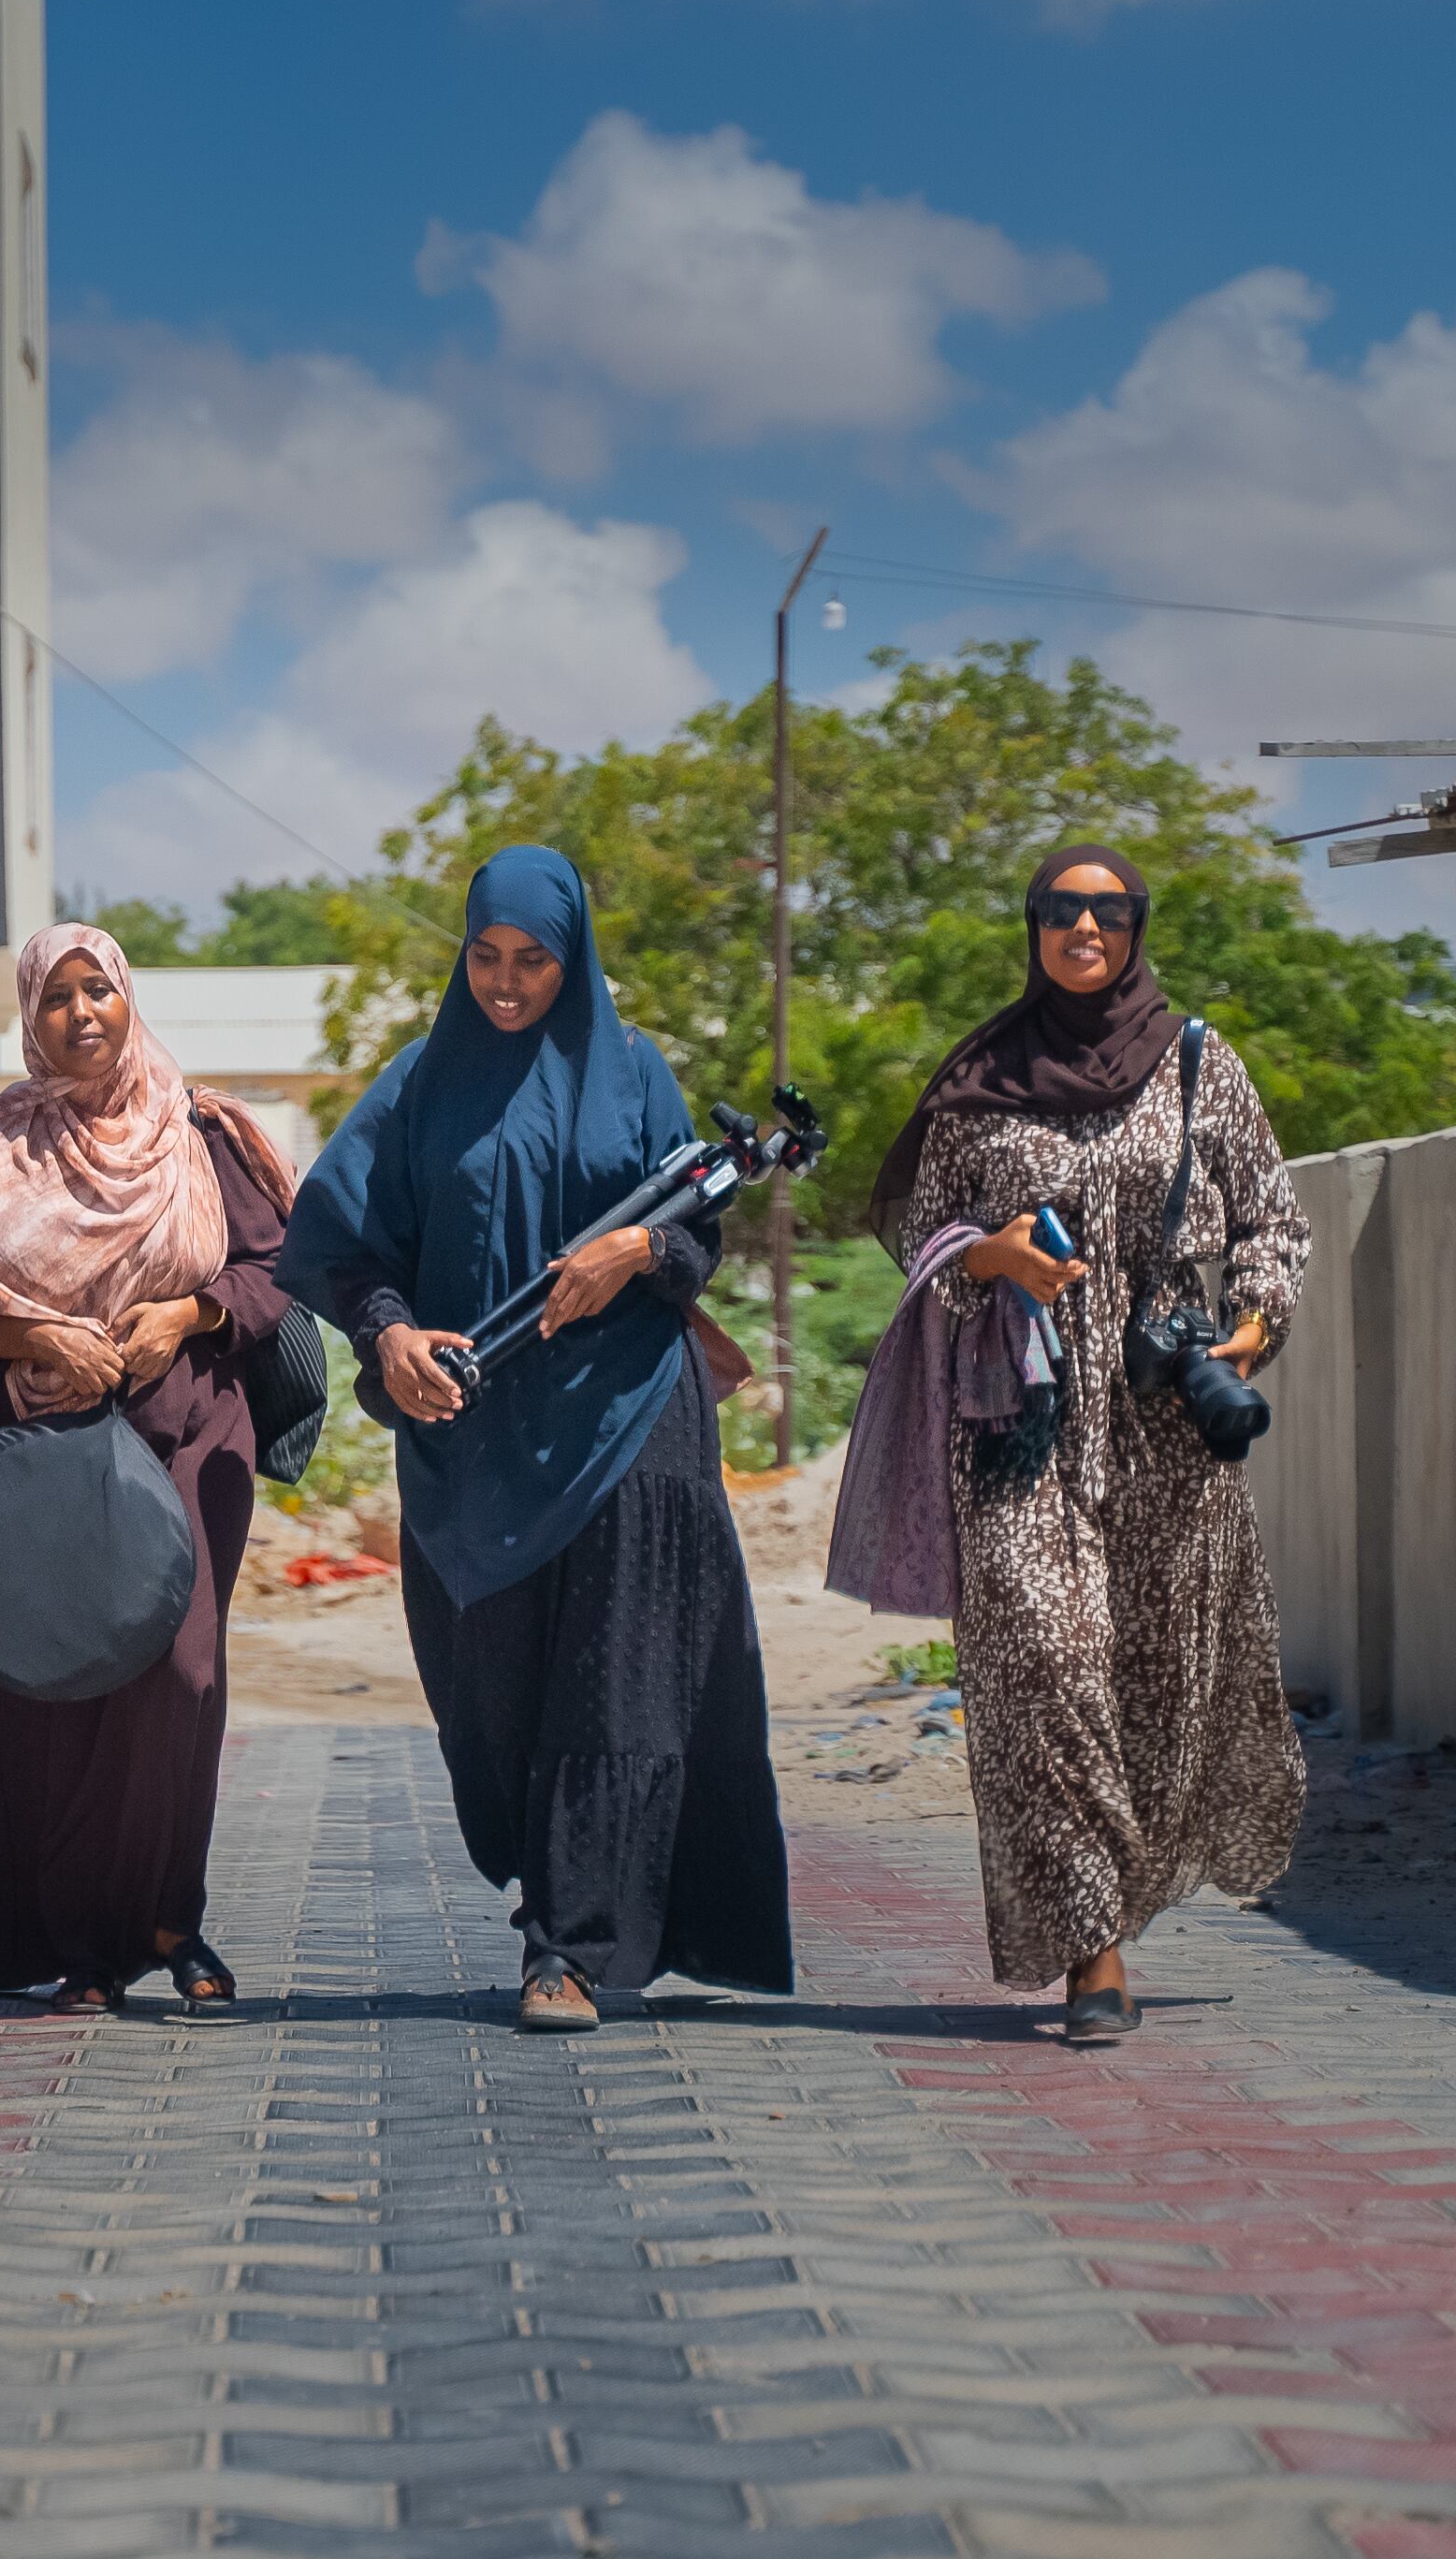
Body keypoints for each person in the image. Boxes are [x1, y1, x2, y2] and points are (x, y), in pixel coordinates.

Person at [279, 846, 793, 2032]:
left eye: (535, 961)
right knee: (491, 1690)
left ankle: (566, 1946)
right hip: (475, 1430)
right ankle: (557, 1902)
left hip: (629, 1419)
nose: (508, 984)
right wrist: (390, 1335)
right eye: (487, 957)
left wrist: (638, 1253)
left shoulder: (633, 1072)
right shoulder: (418, 1085)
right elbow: (339, 1245)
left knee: (613, 1688)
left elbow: (698, 1233)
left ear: (575, 958)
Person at [869, 841, 1310, 2042]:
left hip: (1164, 1423)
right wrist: (988, 1258)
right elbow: (921, 1228)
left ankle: (1119, 1889)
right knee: (1044, 1664)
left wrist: (1252, 1332)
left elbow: (1274, 1219)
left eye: (1107, 914)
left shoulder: (1198, 1069)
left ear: (1135, 929)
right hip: (1022, 1425)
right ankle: (1090, 1950)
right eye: (1061, 912)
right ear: (1033, 927)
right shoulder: (984, 1073)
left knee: (1154, 1683)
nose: (1084, 931)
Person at [0, 922, 300, 2017]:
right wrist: (27, 1338)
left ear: (127, 997)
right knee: (51, 1682)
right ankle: (77, 1944)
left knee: (176, 1676)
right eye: (56, 998)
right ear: (30, 1018)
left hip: (190, 1432)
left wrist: (183, 1313)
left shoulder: (200, 1134)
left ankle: (159, 1916)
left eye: (98, 989)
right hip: (43, 1453)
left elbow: (277, 1270)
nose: (82, 1014)